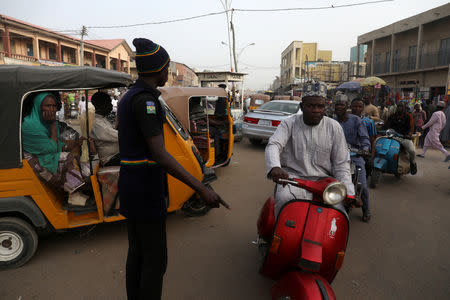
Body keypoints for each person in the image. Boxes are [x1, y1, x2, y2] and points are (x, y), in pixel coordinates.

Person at [118, 38, 226, 300]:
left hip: (131, 186)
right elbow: (160, 155)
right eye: (166, 68)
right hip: (145, 188)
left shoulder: (127, 97)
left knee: (137, 253)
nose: (168, 73)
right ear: (159, 69)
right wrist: (200, 187)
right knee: (155, 261)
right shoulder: (147, 101)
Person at [265, 81, 355, 218]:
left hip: (324, 182)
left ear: (325, 107)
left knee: (339, 213)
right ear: (302, 106)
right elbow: (274, 145)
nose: (316, 110)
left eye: (320, 106)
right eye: (311, 106)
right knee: (284, 201)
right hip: (293, 180)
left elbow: (341, 163)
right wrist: (275, 167)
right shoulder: (289, 123)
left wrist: (349, 193)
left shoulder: (334, 127)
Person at [22, 92, 86, 196]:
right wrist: (53, 124)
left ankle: (78, 187)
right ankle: (75, 193)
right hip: (33, 159)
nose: (51, 109)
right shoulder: (29, 125)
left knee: (76, 154)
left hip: (44, 152)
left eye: (54, 106)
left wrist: (73, 144)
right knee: (67, 158)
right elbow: (52, 149)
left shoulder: (45, 121)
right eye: (47, 106)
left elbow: (57, 144)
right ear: (38, 106)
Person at [335, 96, 372, 222]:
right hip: (336, 158)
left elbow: (365, 138)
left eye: (342, 105)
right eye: (337, 105)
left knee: (363, 186)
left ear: (347, 106)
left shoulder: (356, 120)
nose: (339, 107)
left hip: (355, 157)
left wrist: (365, 148)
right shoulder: (331, 121)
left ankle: (366, 210)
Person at [385, 102, 417, 174]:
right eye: (398, 106)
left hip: (404, 137)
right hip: (392, 137)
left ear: (404, 108)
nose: (400, 108)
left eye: (401, 106)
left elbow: (411, 128)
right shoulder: (392, 116)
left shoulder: (409, 116)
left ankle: (413, 163)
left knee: (412, 151)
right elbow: (387, 125)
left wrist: (409, 134)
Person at [91, 91, 120, 166]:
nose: (111, 106)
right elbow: (117, 136)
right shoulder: (97, 123)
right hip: (110, 159)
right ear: (102, 105)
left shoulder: (102, 119)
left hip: (116, 155)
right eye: (109, 103)